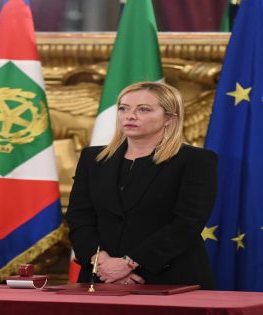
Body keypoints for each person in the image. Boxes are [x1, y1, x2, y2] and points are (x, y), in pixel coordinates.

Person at [66, 81, 217, 289]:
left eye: (143, 110)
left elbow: (187, 223)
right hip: (100, 277)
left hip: (169, 279)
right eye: (123, 109)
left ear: (169, 118)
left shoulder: (195, 160)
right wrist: (101, 263)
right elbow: (79, 216)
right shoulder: (93, 159)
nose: (130, 116)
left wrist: (129, 264)